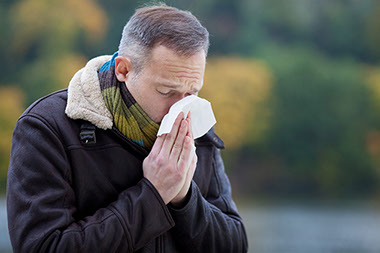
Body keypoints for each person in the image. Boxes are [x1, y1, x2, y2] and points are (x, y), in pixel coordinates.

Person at [7, 4, 248, 253]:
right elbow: (44, 247)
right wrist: (153, 194)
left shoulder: (196, 128)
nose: (181, 108)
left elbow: (235, 245)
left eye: (192, 92)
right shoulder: (47, 127)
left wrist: (184, 198)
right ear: (124, 70)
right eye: (166, 91)